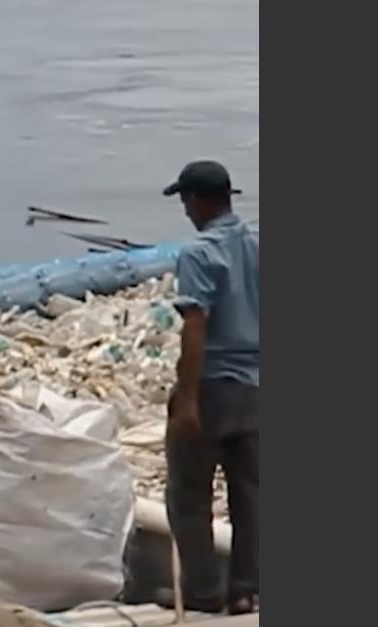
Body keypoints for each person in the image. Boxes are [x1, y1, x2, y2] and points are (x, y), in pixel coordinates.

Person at [154, 161, 259, 615]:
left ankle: (202, 592)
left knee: (188, 494)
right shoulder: (259, 244)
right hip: (259, 389)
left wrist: (188, 399)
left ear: (196, 200)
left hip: (215, 385)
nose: (186, 211)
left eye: (185, 201)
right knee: (253, 496)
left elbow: (195, 327)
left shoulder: (199, 253)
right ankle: (247, 590)